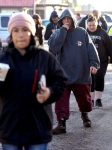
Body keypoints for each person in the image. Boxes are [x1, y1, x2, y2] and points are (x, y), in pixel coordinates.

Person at [0, 12, 67, 150]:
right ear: (11, 33)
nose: (20, 34)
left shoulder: (44, 58)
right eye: (16, 30)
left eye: (25, 29)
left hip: (38, 127)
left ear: (32, 32)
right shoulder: (3, 59)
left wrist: (49, 92)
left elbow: (61, 81)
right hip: (10, 128)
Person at [48, 9, 99, 134]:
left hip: (80, 72)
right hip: (62, 74)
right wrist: (63, 31)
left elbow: (91, 49)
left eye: (69, 19)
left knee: (84, 99)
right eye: (64, 19)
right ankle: (61, 123)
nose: (66, 21)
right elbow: (53, 48)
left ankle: (85, 115)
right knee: (61, 100)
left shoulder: (81, 32)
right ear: (61, 20)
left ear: (72, 20)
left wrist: (94, 64)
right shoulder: (57, 33)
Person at [86, 15, 112, 107]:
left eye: (93, 25)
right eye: (90, 25)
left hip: (102, 60)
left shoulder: (102, 33)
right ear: (87, 25)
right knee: (90, 80)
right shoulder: (84, 33)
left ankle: (98, 99)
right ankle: (91, 100)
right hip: (88, 61)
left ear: (97, 24)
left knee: (100, 78)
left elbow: (109, 47)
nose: (91, 27)